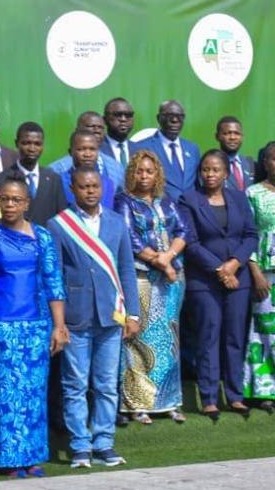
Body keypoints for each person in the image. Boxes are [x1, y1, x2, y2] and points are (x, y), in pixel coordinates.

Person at [0, 174, 68, 478]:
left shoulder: (42, 236)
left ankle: (32, 456)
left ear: (27, 203)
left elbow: (54, 282)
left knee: (34, 394)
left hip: (37, 326)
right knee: (4, 395)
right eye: (4, 199)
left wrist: (59, 326)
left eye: (16, 200)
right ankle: (8, 458)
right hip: (1, 327)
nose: (9, 205)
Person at [47, 166, 140, 468]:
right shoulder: (59, 225)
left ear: (102, 188)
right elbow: (54, 275)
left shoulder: (116, 222)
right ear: (72, 189)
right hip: (76, 316)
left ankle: (104, 442)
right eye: (84, 187)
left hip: (111, 317)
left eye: (95, 186)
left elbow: (126, 269)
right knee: (74, 384)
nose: (90, 192)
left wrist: (133, 314)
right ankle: (79, 446)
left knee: (106, 384)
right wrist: (57, 321)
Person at [179, 150, 258, 420]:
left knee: (235, 338)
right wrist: (219, 269)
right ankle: (209, 398)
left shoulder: (238, 197)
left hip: (239, 279)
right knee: (208, 337)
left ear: (225, 173)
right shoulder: (189, 199)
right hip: (204, 281)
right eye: (205, 170)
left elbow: (250, 235)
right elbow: (190, 242)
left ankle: (235, 396)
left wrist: (234, 263)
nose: (209, 174)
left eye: (215, 170)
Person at [113, 150, 189, 424]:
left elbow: (183, 231)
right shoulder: (124, 201)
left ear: (157, 174)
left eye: (149, 171)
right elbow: (129, 238)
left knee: (169, 340)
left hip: (170, 283)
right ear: (131, 173)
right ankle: (138, 404)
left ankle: (169, 402)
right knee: (138, 339)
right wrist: (161, 263)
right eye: (139, 171)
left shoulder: (166, 202)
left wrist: (168, 259)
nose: (144, 176)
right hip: (142, 279)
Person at [244, 142, 275, 412]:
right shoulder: (252, 193)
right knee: (265, 331)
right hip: (266, 274)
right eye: (274, 159)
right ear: (266, 162)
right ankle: (265, 389)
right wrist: (255, 272)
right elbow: (248, 234)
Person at [0, 121, 67, 226]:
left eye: (37, 144)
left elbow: (61, 218)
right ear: (16, 143)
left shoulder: (53, 179)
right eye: (26, 143)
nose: (32, 149)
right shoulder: (1, 180)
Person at [136, 100, 200, 201]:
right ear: (159, 118)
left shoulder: (192, 149)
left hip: (191, 212)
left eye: (179, 116)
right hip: (161, 212)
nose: (174, 120)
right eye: (169, 115)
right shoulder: (142, 148)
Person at [49, 112, 124, 190]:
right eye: (91, 126)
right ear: (77, 130)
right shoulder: (57, 170)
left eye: (100, 127)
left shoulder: (116, 167)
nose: (97, 131)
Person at [59, 131, 116, 209]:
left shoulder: (107, 183)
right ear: (70, 152)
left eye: (92, 149)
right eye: (81, 149)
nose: (87, 154)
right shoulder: (58, 182)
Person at [215, 117, 254, 195]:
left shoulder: (251, 164)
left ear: (242, 137)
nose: (232, 137)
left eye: (237, 133)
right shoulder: (211, 165)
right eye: (227, 133)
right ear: (217, 136)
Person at [101, 98, 140, 169]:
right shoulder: (97, 149)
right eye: (117, 115)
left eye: (128, 115)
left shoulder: (141, 150)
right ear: (105, 120)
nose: (123, 119)